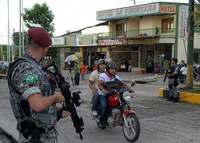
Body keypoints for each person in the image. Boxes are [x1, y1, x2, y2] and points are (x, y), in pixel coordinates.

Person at [7, 27, 71, 143]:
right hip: (34, 137)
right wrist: (55, 97)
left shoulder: (35, 67)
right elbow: (37, 104)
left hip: (42, 135)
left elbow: (33, 105)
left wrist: (56, 112)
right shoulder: (26, 68)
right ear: (44, 47)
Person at [98, 61, 132, 128]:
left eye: (114, 69)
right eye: (112, 69)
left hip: (114, 92)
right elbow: (100, 83)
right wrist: (103, 90)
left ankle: (121, 118)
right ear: (108, 69)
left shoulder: (115, 76)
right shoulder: (103, 75)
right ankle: (102, 121)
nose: (113, 70)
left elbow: (122, 83)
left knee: (123, 103)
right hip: (104, 94)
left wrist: (128, 89)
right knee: (103, 106)